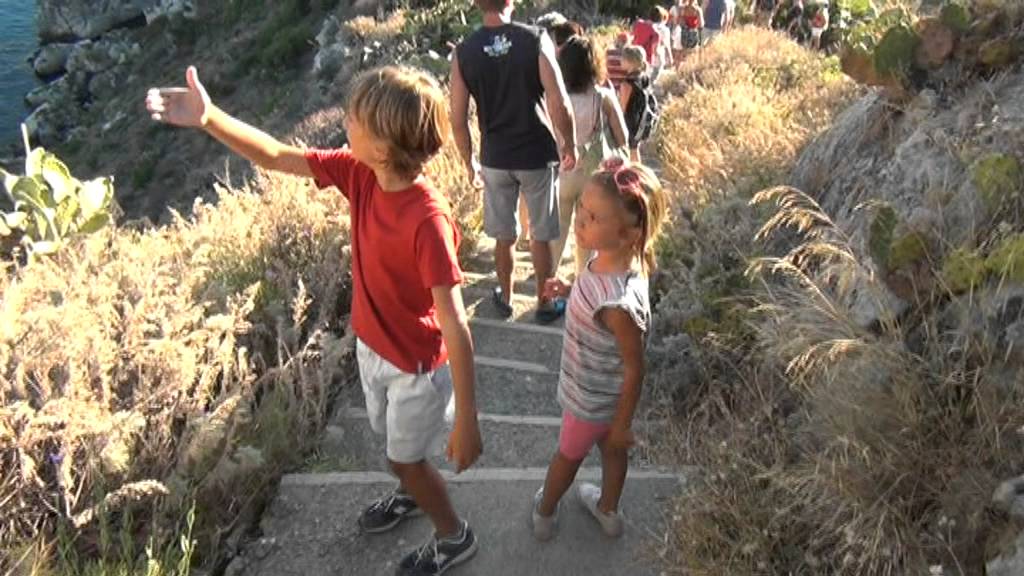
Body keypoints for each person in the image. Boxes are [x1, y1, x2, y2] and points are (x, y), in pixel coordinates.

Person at [145, 65, 483, 576]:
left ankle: (454, 535)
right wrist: (209, 117)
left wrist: (468, 420)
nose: (345, 119)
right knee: (396, 453)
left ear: (384, 146)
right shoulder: (360, 172)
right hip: (374, 351)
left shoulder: (429, 221)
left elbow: (455, 325)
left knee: (408, 459)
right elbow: (277, 156)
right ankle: (411, 493)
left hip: (416, 369)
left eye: (355, 117)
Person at [530, 158, 668, 542]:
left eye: (592, 217)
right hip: (605, 401)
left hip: (592, 403)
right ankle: (608, 512)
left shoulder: (619, 305)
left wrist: (622, 424)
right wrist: (569, 290)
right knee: (612, 455)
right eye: (581, 211)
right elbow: (594, 302)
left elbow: (634, 368)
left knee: (568, 457)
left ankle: (545, 511)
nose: (579, 221)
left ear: (627, 235)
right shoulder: (606, 264)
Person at [451, 0, 577, 324]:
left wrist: (469, 162)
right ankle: (544, 304)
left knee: (503, 234)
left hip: (495, 156)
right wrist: (570, 144)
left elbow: (457, 118)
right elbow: (559, 101)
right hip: (536, 151)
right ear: (511, 2)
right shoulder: (535, 39)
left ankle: (505, 297)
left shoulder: (464, 52)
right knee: (541, 233)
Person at [551, 35, 629, 275]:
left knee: (558, 231)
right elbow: (623, 136)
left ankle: (548, 283)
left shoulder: (554, 96)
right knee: (587, 232)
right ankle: (582, 281)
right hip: (592, 172)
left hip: (561, 170)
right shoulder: (601, 96)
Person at [617, 45, 655, 163]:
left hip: (629, 123)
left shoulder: (626, 84)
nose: (620, 61)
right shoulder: (643, 77)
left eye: (623, 59)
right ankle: (638, 175)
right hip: (640, 121)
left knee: (627, 152)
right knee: (634, 150)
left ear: (630, 61)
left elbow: (621, 109)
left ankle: (631, 176)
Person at [673, 0, 704, 65]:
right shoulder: (697, 10)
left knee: (683, 51)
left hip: (684, 32)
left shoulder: (682, 9)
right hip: (693, 33)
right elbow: (701, 24)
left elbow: (677, 21)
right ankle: (689, 68)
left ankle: (680, 68)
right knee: (692, 53)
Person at [649, 6, 674, 81]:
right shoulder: (665, 30)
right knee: (653, 80)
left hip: (647, 56)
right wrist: (670, 58)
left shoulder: (647, 26)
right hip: (659, 57)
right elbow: (667, 45)